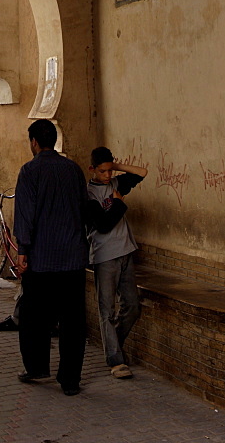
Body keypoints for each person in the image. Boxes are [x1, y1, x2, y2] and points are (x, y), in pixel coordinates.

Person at [13, 119, 88, 396]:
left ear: (34, 142)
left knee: (34, 317)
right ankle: (70, 380)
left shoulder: (29, 172)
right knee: (73, 321)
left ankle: (37, 367)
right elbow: (84, 209)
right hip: (72, 259)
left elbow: (25, 214)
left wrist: (22, 251)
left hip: (41, 260)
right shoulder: (73, 170)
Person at [86, 147, 148, 378]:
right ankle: (115, 360)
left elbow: (142, 172)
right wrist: (118, 204)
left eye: (109, 171)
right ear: (92, 169)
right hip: (104, 257)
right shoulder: (88, 194)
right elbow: (103, 224)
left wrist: (117, 166)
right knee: (107, 310)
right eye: (102, 171)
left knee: (132, 306)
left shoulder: (116, 184)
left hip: (126, 252)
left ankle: (114, 346)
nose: (107, 176)